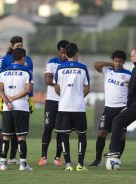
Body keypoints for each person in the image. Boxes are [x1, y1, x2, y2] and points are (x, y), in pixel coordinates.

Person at [0, 36, 34, 164]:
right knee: (21, 136)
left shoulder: (4, 72)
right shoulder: (27, 72)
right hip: (21, 106)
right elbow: (28, 89)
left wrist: (6, 101)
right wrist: (14, 98)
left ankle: (3, 163)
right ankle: (23, 165)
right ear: (23, 58)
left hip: (8, 107)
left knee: (6, 136)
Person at [89, 50, 131, 167]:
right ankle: (97, 160)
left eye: (120, 61)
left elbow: (134, 89)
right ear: (113, 61)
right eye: (115, 61)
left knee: (121, 135)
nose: (117, 63)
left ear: (124, 62)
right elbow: (96, 64)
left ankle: (116, 159)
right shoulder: (107, 71)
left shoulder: (129, 74)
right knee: (102, 132)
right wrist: (109, 64)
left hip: (122, 108)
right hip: (108, 108)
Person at [55, 43, 90, 171]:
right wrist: (80, 96)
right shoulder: (83, 68)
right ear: (77, 53)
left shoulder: (59, 68)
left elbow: (57, 88)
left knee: (64, 136)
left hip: (64, 106)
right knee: (81, 135)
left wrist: (64, 95)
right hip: (79, 107)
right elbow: (87, 87)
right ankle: (80, 164)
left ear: (65, 54)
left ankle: (68, 164)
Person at [38, 40, 69, 166]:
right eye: (62, 52)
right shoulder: (52, 62)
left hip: (66, 101)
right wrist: (64, 86)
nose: (64, 55)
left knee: (61, 129)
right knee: (48, 127)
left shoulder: (72, 64)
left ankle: (57, 157)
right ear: (58, 51)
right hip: (52, 100)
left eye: (66, 53)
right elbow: (47, 80)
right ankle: (43, 156)